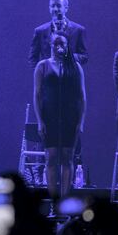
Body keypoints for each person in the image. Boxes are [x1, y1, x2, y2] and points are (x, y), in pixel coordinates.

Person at [33, 34, 86, 202]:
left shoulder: (75, 66)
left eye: (61, 43)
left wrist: (81, 121)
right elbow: (37, 94)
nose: (58, 46)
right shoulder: (43, 66)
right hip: (50, 116)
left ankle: (65, 199)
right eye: (55, 43)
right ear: (50, 45)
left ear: (67, 45)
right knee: (51, 156)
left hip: (70, 116)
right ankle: (54, 201)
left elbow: (82, 96)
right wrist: (40, 121)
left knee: (67, 156)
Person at [29, 0, 88, 69]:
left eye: (59, 6)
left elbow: (84, 57)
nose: (55, 9)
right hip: (49, 77)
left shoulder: (78, 30)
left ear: (66, 8)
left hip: (71, 77)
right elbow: (33, 58)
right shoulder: (39, 31)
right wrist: (41, 73)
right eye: (52, 6)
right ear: (49, 8)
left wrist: (67, 57)